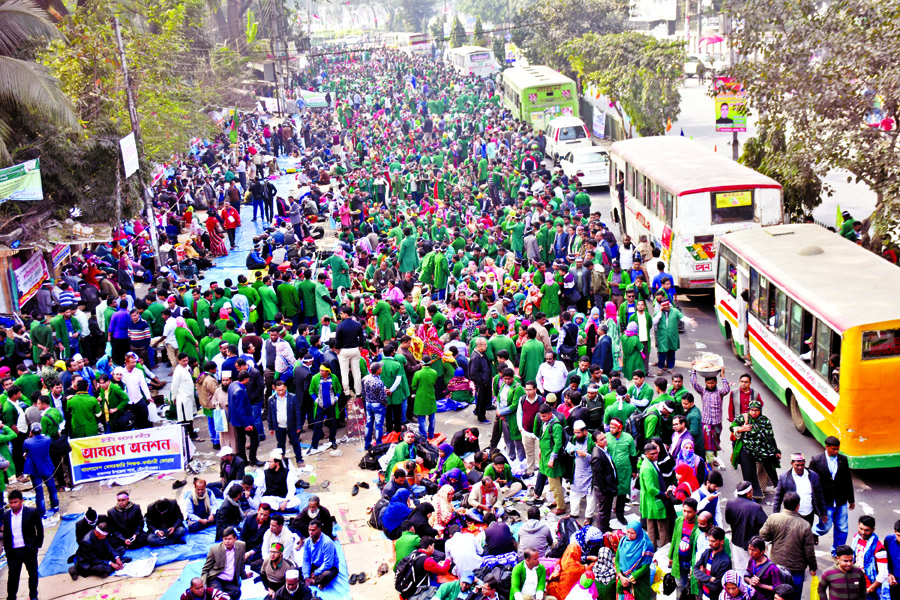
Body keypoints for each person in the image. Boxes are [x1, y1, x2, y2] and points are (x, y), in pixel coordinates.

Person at [759, 491, 817, 595]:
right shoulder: (805, 525)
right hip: (796, 567)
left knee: (776, 593)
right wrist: (813, 567)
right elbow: (809, 551)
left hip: (776, 563)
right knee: (794, 595)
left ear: (783, 504)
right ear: (798, 506)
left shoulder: (773, 518)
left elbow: (763, 535)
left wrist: (775, 538)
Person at [810, 436, 855, 557]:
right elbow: (811, 482)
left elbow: (847, 480)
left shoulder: (843, 460)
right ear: (827, 447)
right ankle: (814, 532)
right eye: (834, 449)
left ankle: (837, 551)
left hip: (841, 501)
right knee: (825, 527)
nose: (836, 451)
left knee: (842, 528)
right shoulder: (816, 460)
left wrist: (851, 499)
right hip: (826, 502)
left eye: (838, 449)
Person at [4, 489, 42, 599]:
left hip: (29, 550)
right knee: (13, 577)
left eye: (15, 502)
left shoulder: (31, 512)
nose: (13, 505)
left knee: (33, 574)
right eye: (11, 503)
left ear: (21, 501)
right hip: (13, 553)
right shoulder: (7, 515)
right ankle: (11, 596)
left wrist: (37, 545)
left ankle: (33, 596)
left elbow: (39, 529)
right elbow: (7, 534)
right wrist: (7, 550)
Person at [690, 367, 730, 468]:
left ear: (716, 383)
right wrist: (694, 370)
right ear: (705, 383)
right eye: (708, 383)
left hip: (717, 423)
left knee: (715, 443)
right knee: (708, 445)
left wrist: (723, 375)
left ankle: (713, 458)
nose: (710, 385)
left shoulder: (720, 392)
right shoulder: (703, 391)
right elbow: (694, 384)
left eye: (712, 383)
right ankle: (710, 464)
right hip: (706, 424)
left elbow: (727, 389)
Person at [773, 453, 826, 527]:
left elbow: (820, 495)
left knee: (806, 535)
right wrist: (776, 514)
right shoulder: (784, 477)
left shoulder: (814, 476)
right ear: (792, 463)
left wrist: (824, 513)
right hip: (792, 515)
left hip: (808, 514)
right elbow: (778, 497)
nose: (800, 467)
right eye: (797, 465)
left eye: (802, 465)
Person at [531, 403, 566, 515]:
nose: (542, 418)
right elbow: (543, 438)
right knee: (553, 484)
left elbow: (558, 444)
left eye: (544, 416)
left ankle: (561, 507)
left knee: (554, 485)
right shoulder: (545, 423)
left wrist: (552, 459)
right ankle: (557, 501)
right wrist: (541, 450)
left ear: (550, 414)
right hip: (545, 457)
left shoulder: (556, 426)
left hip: (551, 460)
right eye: (541, 416)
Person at [726, 481, 769, 563]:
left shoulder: (730, 503)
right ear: (749, 493)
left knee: (740, 568)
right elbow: (766, 524)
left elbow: (728, 520)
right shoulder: (755, 507)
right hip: (753, 546)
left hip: (736, 542)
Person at [201, 527, 249, 600]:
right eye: (225, 539)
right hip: (216, 578)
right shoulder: (214, 549)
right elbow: (206, 569)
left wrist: (244, 575)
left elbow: (241, 563)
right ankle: (218, 595)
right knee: (219, 594)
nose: (227, 541)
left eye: (229, 539)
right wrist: (204, 586)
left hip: (229, 580)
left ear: (235, 538)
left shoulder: (241, 546)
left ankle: (218, 596)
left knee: (236, 592)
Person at [851, 515, 890, 600]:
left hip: (868, 588)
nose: (863, 532)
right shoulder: (856, 538)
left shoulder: (879, 549)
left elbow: (883, 574)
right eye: (861, 529)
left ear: (873, 530)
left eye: (867, 530)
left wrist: (870, 589)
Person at [24, 422, 59, 517]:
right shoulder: (47, 439)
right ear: (41, 430)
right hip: (47, 467)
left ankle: (42, 512)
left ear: (31, 431)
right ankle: (55, 506)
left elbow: (25, 450)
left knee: (39, 492)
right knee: (52, 488)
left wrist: (29, 436)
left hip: (35, 469)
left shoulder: (27, 442)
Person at [616, 521, 655, 600]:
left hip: (641, 581)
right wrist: (621, 576)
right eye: (628, 532)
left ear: (638, 532)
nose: (629, 535)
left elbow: (645, 566)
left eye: (632, 533)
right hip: (624, 580)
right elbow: (617, 560)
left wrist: (634, 576)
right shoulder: (623, 541)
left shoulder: (646, 545)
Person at [267, 380, 304, 463]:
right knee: (280, 445)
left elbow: (297, 412)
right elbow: (270, 414)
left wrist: (298, 426)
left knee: (295, 443)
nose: (281, 392)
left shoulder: (292, 397)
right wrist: (271, 427)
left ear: (285, 388)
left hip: (291, 425)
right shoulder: (271, 400)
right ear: (275, 389)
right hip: (279, 427)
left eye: (282, 390)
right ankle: (281, 461)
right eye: (279, 390)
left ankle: (299, 459)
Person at [693, 526, 732, 600]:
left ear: (721, 542)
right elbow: (695, 569)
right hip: (703, 594)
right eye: (709, 540)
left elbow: (717, 585)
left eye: (713, 541)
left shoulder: (725, 561)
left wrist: (701, 577)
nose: (710, 544)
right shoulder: (707, 553)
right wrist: (709, 578)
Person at [591, 429, 618, 533]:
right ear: (596, 442)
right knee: (604, 512)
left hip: (608, 486)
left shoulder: (603, 450)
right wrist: (605, 490)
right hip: (604, 489)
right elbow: (598, 476)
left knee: (606, 511)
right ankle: (603, 532)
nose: (605, 440)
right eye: (601, 439)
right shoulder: (597, 455)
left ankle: (605, 527)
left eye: (604, 437)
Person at [300, 519, 340, 589]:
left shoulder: (327, 542)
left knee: (326, 575)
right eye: (309, 530)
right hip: (316, 565)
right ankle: (316, 582)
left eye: (313, 530)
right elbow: (306, 560)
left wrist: (315, 573)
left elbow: (328, 564)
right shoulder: (307, 542)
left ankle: (315, 581)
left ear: (319, 530)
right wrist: (306, 576)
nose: (310, 533)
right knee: (296, 572)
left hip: (330, 567)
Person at [744, 536, 784, 600]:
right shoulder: (752, 560)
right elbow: (746, 575)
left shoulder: (772, 569)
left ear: (762, 551)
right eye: (749, 549)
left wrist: (759, 585)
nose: (750, 553)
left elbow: (778, 588)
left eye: (754, 550)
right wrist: (751, 581)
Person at [362, 362, 387, 450]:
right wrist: (385, 403)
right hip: (378, 405)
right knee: (378, 426)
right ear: (377, 370)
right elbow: (382, 397)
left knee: (369, 424)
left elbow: (363, 392)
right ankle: (378, 445)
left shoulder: (365, 378)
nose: (381, 368)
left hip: (368, 403)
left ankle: (367, 444)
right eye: (380, 367)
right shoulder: (379, 382)